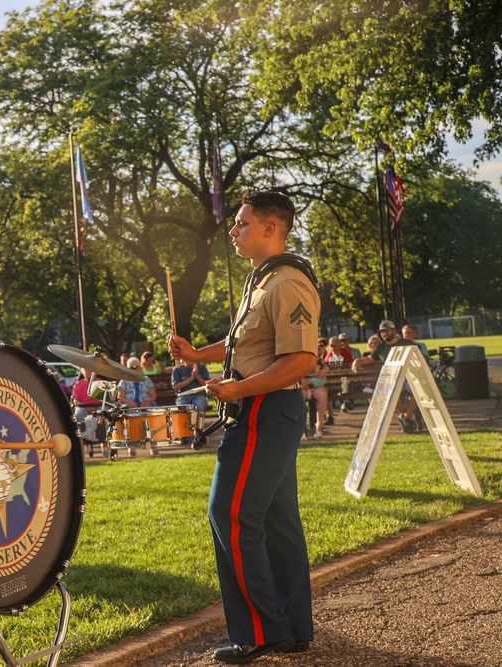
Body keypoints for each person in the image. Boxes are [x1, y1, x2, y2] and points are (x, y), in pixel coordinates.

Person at [171, 190, 319, 662]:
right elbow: (244, 343)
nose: (233, 231)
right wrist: (198, 354)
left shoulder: (286, 282)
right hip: (265, 409)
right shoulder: (262, 281)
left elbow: (301, 359)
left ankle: (260, 632)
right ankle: (291, 627)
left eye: (242, 223)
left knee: (230, 515)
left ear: (271, 228)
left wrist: (239, 390)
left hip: (263, 412)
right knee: (276, 521)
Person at [353, 320, 419, 432]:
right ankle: (407, 415)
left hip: (409, 376)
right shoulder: (381, 347)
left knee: (418, 390)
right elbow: (370, 359)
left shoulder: (406, 343)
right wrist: (357, 361)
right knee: (388, 394)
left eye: (387, 331)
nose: (384, 334)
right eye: (382, 332)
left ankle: (406, 416)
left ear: (394, 330)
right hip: (393, 379)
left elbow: (418, 358)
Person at [301, 341, 330, 438]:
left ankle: (319, 427)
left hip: (314, 385)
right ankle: (301, 431)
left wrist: (325, 370)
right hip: (302, 386)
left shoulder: (318, 361)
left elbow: (325, 367)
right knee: (301, 394)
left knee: (323, 393)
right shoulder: (300, 359)